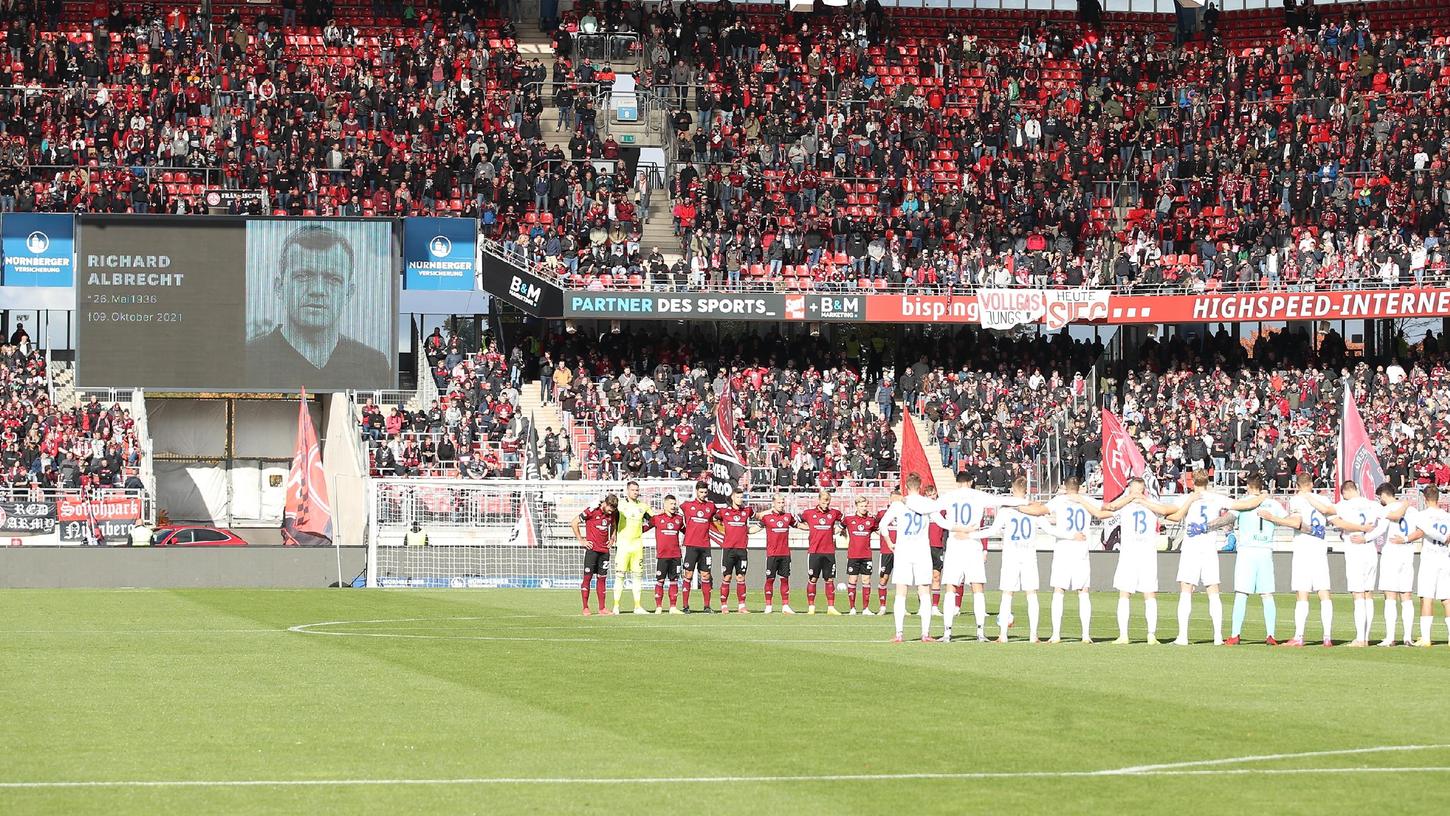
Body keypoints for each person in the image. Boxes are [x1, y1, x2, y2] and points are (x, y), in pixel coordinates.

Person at [246, 224, 391, 389]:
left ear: (349, 293)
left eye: (333, 279)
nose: (317, 290)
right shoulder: (246, 359)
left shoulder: (374, 363)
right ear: (279, 287)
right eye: (303, 276)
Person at [937, 472, 1041, 643]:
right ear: (970, 482)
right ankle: (980, 632)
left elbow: (934, 514)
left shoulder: (949, 496)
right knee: (977, 588)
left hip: (955, 541)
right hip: (973, 542)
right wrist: (1026, 501)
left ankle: (947, 632)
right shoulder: (979, 495)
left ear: (957, 482)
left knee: (951, 588)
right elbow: (1002, 501)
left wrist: (954, 527)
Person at [1079, 478, 1181, 644]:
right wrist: (1143, 499)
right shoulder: (1152, 505)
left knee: (1125, 594)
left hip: (1129, 554)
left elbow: (1108, 508)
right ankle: (1151, 635)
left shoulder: (1124, 506)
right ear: (1144, 489)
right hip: (1147, 554)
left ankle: (1124, 635)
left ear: (1131, 490)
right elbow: (1166, 511)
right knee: (1149, 594)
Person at [1173, 472, 1261, 645]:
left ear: (1192, 482)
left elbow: (1170, 515)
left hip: (1191, 547)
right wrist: (1262, 496)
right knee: (1213, 592)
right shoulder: (1217, 498)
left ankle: (1183, 636)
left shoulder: (1186, 498)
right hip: (1209, 547)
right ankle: (1218, 636)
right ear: (1208, 481)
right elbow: (1244, 505)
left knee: (1186, 590)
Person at [975, 477, 1063, 644]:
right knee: (1031, 594)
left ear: (1013, 491)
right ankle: (1033, 635)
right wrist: (1070, 535)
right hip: (1028, 554)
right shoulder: (1033, 509)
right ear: (1026, 491)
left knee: (1007, 594)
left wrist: (972, 534)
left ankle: (1003, 635)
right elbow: (1049, 529)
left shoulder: (1006, 510)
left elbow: (992, 530)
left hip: (1011, 555)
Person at [1304, 482, 1390, 647]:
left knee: (1358, 594)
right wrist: (1370, 535)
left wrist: (1308, 496)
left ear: (1345, 492)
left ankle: (1360, 638)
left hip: (1355, 548)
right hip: (1370, 548)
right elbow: (1387, 519)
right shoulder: (1372, 504)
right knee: (1368, 593)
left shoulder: (1344, 505)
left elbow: (1325, 510)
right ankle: (1366, 636)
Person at [1258, 473, 1335, 646]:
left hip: (1304, 548)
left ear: (1296, 484)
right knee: (1324, 592)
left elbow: (1295, 523)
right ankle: (1327, 637)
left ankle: (1299, 637)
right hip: (1320, 548)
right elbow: (1333, 515)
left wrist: (1272, 518)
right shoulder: (1322, 499)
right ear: (1312, 483)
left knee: (1302, 593)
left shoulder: (1297, 500)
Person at [877, 474, 953, 643]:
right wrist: (961, 527)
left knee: (901, 591)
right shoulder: (927, 503)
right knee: (924, 591)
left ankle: (899, 634)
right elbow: (943, 523)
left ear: (905, 486)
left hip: (903, 550)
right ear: (920, 487)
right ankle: (925, 633)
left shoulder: (898, 504)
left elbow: (883, 525)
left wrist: (890, 542)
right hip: (921, 551)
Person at [1206, 476, 1278, 645]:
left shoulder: (1243, 502)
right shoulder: (1272, 503)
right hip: (1265, 550)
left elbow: (1227, 519)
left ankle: (1235, 634)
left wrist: (1206, 526)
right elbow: (1287, 518)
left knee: (1241, 593)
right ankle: (1271, 635)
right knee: (1267, 594)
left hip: (1247, 551)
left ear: (1247, 486)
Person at [1046, 478, 1095, 643]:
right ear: (1080, 487)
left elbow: (1042, 510)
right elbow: (1106, 508)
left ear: (1064, 487)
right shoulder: (1087, 500)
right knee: (1083, 591)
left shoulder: (1059, 500)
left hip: (1063, 549)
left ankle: (1056, 634)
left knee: (1059, 591)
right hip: (1081, 549)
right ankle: (1086, 635)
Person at [1374, 484, 1421, 646]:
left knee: (1390, 596)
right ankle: (1408, 637)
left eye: (1380, 497)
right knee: (1406, 596)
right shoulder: (1412, 510)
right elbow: (1421, 530)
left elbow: (1390, 520)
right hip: (1407, 554)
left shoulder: (1389, 508)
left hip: (1392, 554)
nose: (1380, 500)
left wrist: (1365, 538)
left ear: (1384, 495)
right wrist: (1407, 539)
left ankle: (1390, 637)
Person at [1412, 486, 1450, 646]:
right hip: (1445, 558)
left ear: (1425, 498)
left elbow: (1420, 533)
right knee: (1447, 599)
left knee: (1426, 597)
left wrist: (1405, 539)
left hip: (1429, 560)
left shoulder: (1422, 516)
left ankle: (1426, 638)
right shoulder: (1447, 516)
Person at [797, 490, 844, 614]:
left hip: (829, 552)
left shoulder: (834, 513)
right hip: (814, 551)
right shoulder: (809, 513)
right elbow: (795, 521)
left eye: (828, 501)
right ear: (819, 500)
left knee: (829, 579)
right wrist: (808, 527)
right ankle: (811, 607)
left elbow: (845, 521)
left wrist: (840, 530)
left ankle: (831, 607)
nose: (826, 503)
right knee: (813, 578)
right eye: (824, 500)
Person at [572, 494, 618, 616]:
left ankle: (602, 608)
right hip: (592, 550)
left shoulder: (612, 514)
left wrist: (613, 538)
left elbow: (614, 525)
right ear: (605, 504)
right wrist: (581, 540)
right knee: (587, 578)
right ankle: (585, 607)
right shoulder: (591, 511)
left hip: (604, 551)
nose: (611, 511)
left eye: (613, 510)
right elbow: (574, 522)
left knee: (602, 579)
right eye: (609, 508)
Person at [612, 480, 651, 614]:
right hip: (623, 545)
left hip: (637, 545)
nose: (635, 492)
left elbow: (654, 521)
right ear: (627, 491)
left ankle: (637, 606)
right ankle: (616, 606)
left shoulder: (644, 507)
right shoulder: (620, 505)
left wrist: (643, 529)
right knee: (619, 576)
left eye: (637, 490)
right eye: (633, 490)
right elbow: (613, 520)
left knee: (638, 576)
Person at [679, 481, 717, 613]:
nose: (703, 494)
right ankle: (685, 606)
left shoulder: (711, 506)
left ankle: (706, 606)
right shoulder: (687, 505)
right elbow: (674, 510)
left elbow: (717, 518)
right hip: (691, 545)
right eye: (701, 492)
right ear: (696, 491)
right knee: (688, 574)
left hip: (705, 546)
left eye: (705, 492)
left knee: (705, 575)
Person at [715, 490, 755, 613]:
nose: (739, 499)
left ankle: (741, 605)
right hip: (728, 549)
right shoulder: (724, 512)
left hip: (742, 549)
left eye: (741, 497)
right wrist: (722, 530)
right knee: (727, 577)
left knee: (741, 577)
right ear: (732, 497)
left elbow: (758, 516)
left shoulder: (747, 511)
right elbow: (714, 520)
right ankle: (724, 605)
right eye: (737, 497)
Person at [647, 493, 686, 614]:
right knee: (660, 580)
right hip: (663, 555)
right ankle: (658, 606)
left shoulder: (679, 519)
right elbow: (644, 528)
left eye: (675, 504)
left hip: (676, 555)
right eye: (671, 504)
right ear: (664, 505)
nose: (673, 506)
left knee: (674, 580)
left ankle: (673, 607)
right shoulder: (657, 519)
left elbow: (687, 531)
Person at [759, 494, 797, 614]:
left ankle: (785, 605)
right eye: (779, 502)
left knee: (785, 579)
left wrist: (813, 528)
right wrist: (743, 531)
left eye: (782, 503)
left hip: (785, 554)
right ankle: (768, 605)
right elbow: (755, 528)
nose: (781, 505)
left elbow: (799, 525)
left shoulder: (788, 517)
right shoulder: (767, 517)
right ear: (773, 503)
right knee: (770, 579)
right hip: (772, 554)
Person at [842, 497, 880, 616]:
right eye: (862, 506)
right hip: (853, 555)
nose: (864, 508)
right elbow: (839, 529)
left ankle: (865, 608)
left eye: (865, 506)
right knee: (852, 580)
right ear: (857, 506)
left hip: (867, 555)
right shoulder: (849, 519)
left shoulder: (871, 520)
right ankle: (852, 608)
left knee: (866, 580)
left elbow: (879, 531)